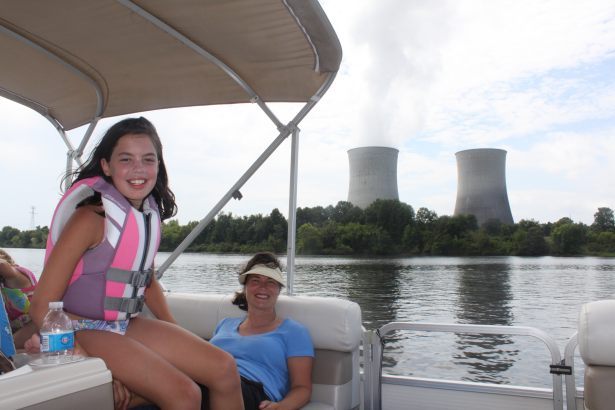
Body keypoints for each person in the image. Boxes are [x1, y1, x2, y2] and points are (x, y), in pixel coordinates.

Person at [30, 117, 243, 410]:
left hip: (123, 324)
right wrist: (83, 361)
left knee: (224, 368)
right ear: (106, 166)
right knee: (186, 394)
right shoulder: (89, 219)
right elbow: (41, 305)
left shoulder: (145, 219)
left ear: (159, 165)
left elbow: (147, 282)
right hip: (77, 326)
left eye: (148, 159)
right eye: (126, 159)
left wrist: (175, 332)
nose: (139, 169)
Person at [209, 252, 314, 410]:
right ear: (245, 288)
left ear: (278, 290)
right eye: (255, 281)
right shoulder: (224, 324)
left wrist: (280, 407)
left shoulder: (294, 332)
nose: (263, 287)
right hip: (209, 380)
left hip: (251, 391)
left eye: (270, 282)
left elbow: (302, 388)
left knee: (221, 369)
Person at [0, 249, 38, 349]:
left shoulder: (16, 276)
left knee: (4, 350)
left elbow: (2, 265)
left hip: (35, 325)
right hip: (20, 329)